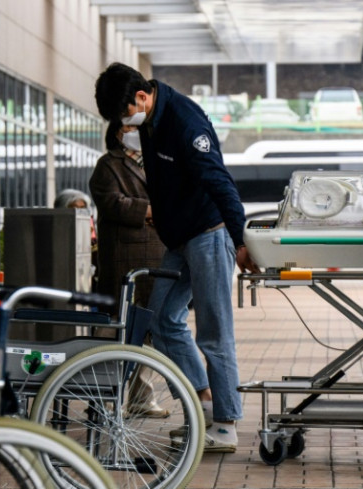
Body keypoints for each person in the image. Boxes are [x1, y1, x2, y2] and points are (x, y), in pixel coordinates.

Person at [94, 62, 259, 453]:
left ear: (141, 97)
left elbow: (221, 182)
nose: (126, 129)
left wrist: (241, 241)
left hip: (208, 235)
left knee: (215, 334)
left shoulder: (185, 123)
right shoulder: (150, 120)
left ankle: (226, 422)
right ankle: (202, 404)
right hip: (179, 241)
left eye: (125, 118)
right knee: (163, 321)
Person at [89, 120, 170, 418]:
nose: (138, 132)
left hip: (158, 255)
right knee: (116, 329)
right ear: (118, 133)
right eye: (130, 127)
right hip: (123, 258)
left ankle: (141, 398)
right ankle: (105, 399)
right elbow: (111, 203)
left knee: (149, 328)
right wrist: (149, 211)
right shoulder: (108, 165)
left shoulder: (157, 161)